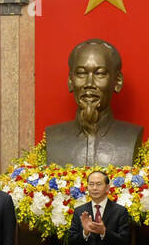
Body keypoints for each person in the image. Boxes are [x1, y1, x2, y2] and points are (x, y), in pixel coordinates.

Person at [43, 39, 143, 168]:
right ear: (70, 81)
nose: (89, 83)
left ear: (117, 81)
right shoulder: (54, 137)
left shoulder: (131, 136)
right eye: (81, 73)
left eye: (100, 73)